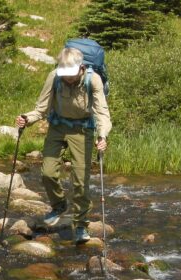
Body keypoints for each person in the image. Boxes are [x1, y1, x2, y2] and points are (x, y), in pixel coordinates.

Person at [16, 47, 111, 244]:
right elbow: (41, 109)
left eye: (71, 74)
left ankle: (81, 225)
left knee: (80, 180)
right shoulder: (55, 76)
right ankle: (59, 206)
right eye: (64, 74)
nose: (67, 78)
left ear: (81, 67)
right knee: (48, 173)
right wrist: (27, 118)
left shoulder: (93, 80)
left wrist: (102, 136)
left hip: (82, 130)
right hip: (58, 126)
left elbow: (102, 112)